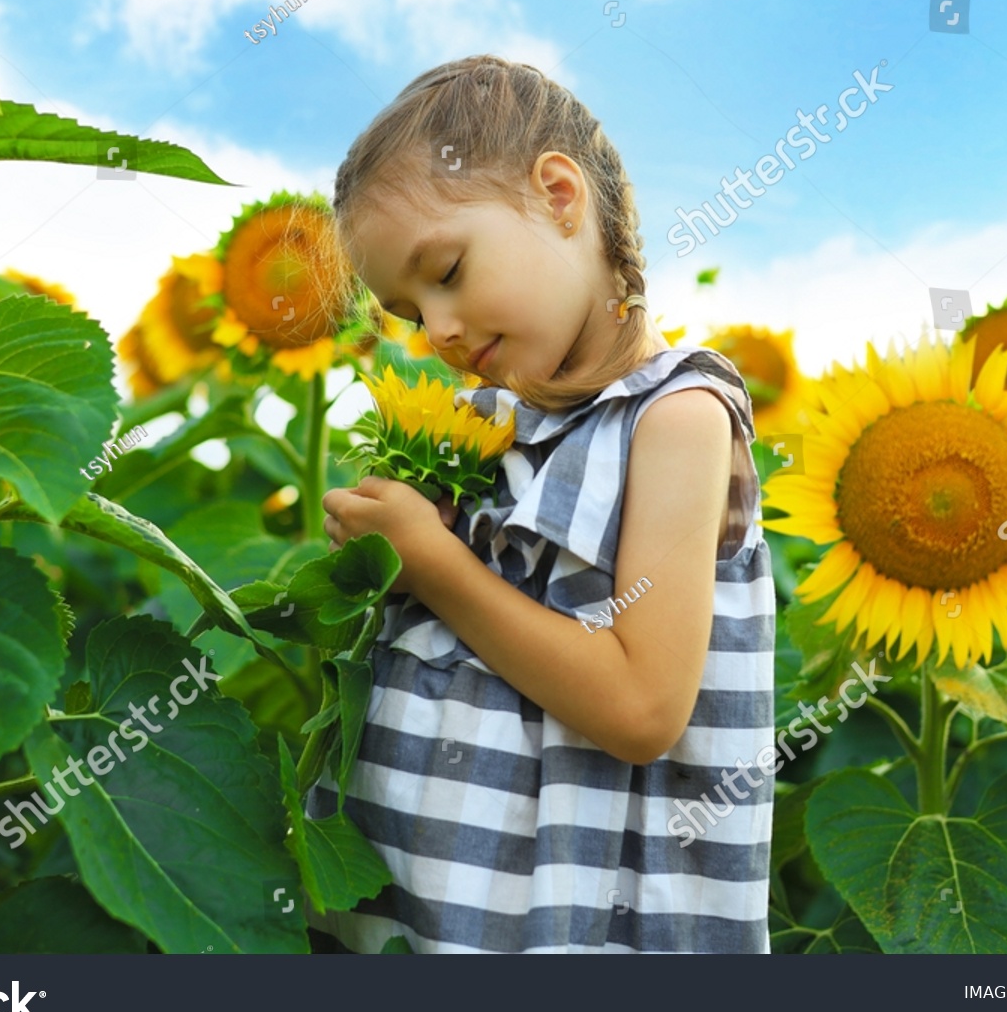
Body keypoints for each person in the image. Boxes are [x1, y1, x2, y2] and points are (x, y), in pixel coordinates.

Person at [306, 54, 775, 953]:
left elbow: (643, 708)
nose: (437, 330)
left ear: (561, 197)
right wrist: (382, 553)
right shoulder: (483, 430)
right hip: (423, 915)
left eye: (445, 269)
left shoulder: (677, 417)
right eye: (408, 312)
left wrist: (438, 567)